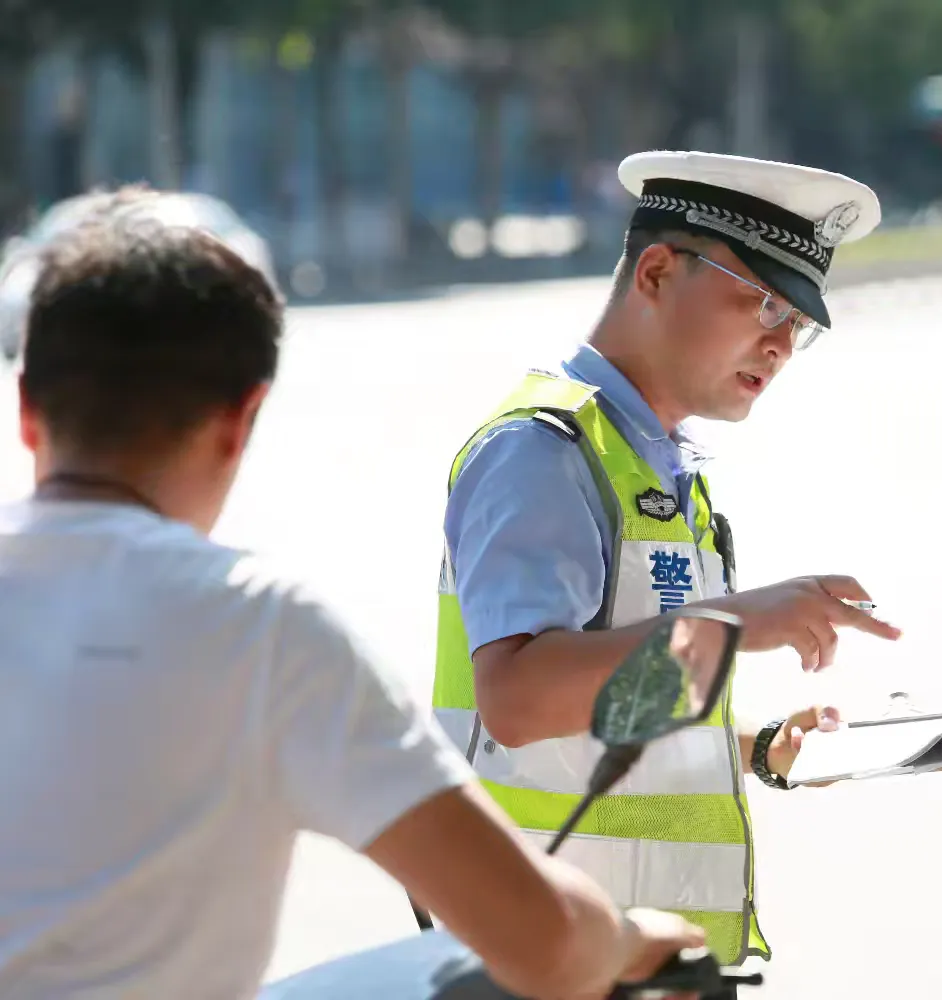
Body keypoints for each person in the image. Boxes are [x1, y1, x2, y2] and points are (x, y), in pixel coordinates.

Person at [0, 191, 705, 1000]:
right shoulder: (263, 631)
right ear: (241, 420)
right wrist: (632, 937)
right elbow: (541, 939)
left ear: (26, 411)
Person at [430, 150, 904, 965]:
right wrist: (733, 621)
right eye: (761, 303)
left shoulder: (654, 461)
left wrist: (754, 743)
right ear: (655, 271)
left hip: (635, 964)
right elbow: (515, 697)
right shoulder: (542, 451)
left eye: (800, 323)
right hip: (546, 961)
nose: (782, 343)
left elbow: (619, 697)